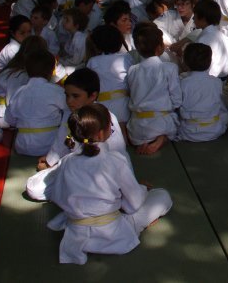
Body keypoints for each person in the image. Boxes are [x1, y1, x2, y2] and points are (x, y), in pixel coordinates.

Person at [45, 104, 173, 264]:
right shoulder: (115, 160)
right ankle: (138, 224)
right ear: (101, 133)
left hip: (76, 230)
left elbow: (57, 195)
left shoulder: (66, 162)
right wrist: (141, 190)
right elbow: (134, 205)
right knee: (162, 196)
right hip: (113, 233)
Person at [26, 68, 126, 201]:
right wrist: (50, 161)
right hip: (76, 168)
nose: (69, 101)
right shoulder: (70, 114)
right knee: (33, 188)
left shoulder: (105, 117)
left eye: (75, 96)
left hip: (103, 173)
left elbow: (119, 151)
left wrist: (125, 181)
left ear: (93, 96)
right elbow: (61, 142)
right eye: (67, 95)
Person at [126, 23, 182, 155]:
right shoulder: (169, 68)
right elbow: (177, 100)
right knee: (177, 120)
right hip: (161, 122)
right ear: (159, 47)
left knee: (141, 131)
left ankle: (144, 141)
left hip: (136, 128)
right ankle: (161, 138)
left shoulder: (132, 70)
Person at [6, 50, 67, 156]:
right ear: (52, 70)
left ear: (26, 70)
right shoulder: (57, 91)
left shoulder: (18, 92)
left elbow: (9, 119)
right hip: (50, 145)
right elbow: (68, 111)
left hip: (22, 146)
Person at [176, 43, 228, 142]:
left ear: (185, 61)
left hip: (189, 132)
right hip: (215, 130)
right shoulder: (217, 82)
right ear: (210, 62)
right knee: (224, 113)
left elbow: (176, 104)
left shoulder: (183, 83)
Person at [86, 25, 132, 131]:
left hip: (103, 107)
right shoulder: (126, 58)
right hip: (125, 104)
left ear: (96, 44)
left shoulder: (93, 61)